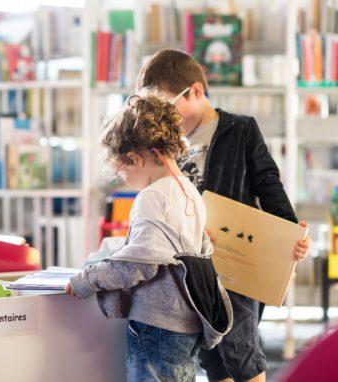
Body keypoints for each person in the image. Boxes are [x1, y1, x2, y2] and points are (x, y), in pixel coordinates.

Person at [136, 49, 312, 382]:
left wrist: (291, 233)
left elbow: (268, 183)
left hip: (237, 262)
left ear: (196, 91)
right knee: (210, 353)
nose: (164, 117)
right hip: (194, 263)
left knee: (240, 347)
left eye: (167, 106)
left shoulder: (240, 130)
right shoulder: (167, 145)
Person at [65, 94, 232, 382]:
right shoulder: (189, 191)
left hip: (157, 325)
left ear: (135, 158)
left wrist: (85, 280)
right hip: (187, 323)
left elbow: (137, 265)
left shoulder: (152, 197)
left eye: (123, 170)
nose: (123, 178)